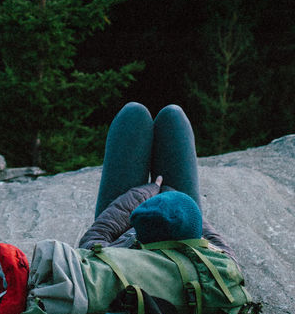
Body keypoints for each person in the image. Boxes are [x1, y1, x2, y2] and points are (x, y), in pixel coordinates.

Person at [78, 101, 233, 257]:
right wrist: (172, 194)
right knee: (173, 116)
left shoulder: (111, 274)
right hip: (187, 246)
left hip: (122, 246)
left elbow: (93, 242)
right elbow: (222, 252)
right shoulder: (210, 273)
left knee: (134, 114)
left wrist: (148, 191)